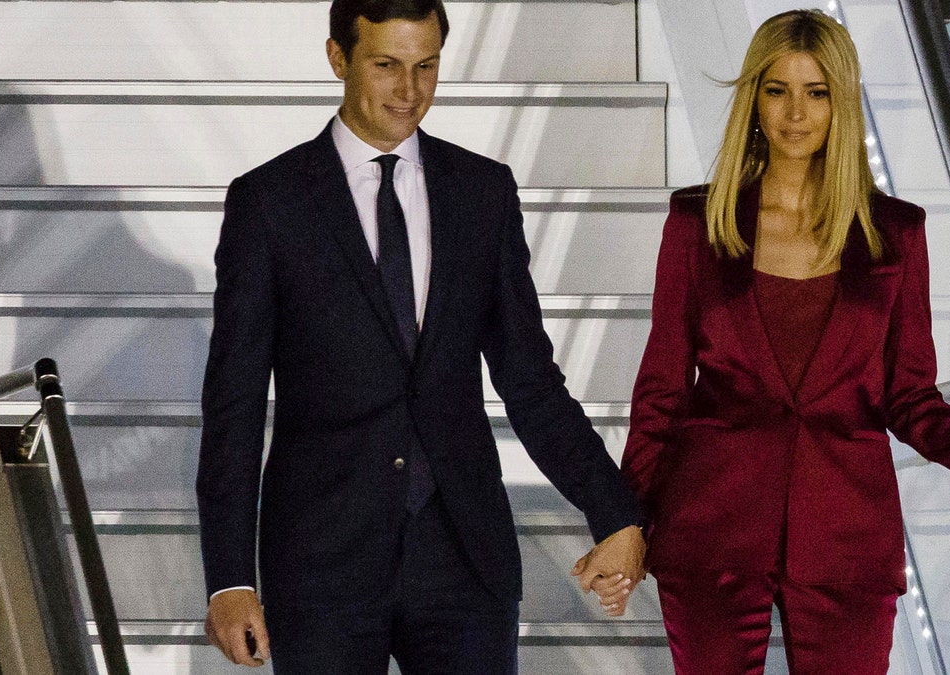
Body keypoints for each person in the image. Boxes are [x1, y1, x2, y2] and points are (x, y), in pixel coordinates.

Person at [608, 9, 950, 674]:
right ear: (754, 100)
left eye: (817, 91)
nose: (795, 113)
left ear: (843, 100)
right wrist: (625, 520)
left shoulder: (898, 235)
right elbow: (658, 397)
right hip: (711, 527)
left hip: (847, 537)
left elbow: (908, 397)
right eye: (777, 90)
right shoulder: (697, 222)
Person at [195, 0, 645, 672]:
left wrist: (615, 511)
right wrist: (229, 577)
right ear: (338, 58)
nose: (409, 91)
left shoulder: (483, 193)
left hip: (463, 557)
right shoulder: (269, 202)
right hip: (322, 563)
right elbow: (232, 403)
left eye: (426, 66)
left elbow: (529, 379)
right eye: (386, 66)